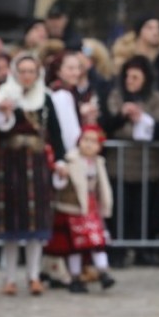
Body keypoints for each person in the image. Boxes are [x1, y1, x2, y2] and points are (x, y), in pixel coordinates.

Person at [0, 53, 60, 294]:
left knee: (35, 223)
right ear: (15, 72)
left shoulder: (46, 98)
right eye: (23, 71)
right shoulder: (5, 94)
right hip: (12, 164)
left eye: (32, 71)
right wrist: (4, 112)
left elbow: (55, 133)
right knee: (12, 222)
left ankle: (33, 276)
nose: (27, 76)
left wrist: (61, 161)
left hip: (37, 163)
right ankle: (9, 278)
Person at [98, 55, 159, 264]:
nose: (130, 81)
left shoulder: (155, 98)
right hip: (119, 164)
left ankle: (142, 249)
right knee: (119, 209)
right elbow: (107, 124)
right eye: (128, 77)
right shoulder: (116, 95)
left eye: (135, 77)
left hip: (148, 166)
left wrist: (142, 119)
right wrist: (122, 115)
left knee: (143, 210)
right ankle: (117, 250)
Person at [46, 125, 116, 292]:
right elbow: (59, 183)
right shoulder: (70, 161)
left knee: (97, 242)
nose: (88, 145)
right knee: (75, 246)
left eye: (93, 141)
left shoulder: (98, 163)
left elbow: (103, 187)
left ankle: (103, 271)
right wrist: (61, 176)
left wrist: (104, 204)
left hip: (91, 210)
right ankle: (75, 277)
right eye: (85, 140)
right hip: (73, 209)